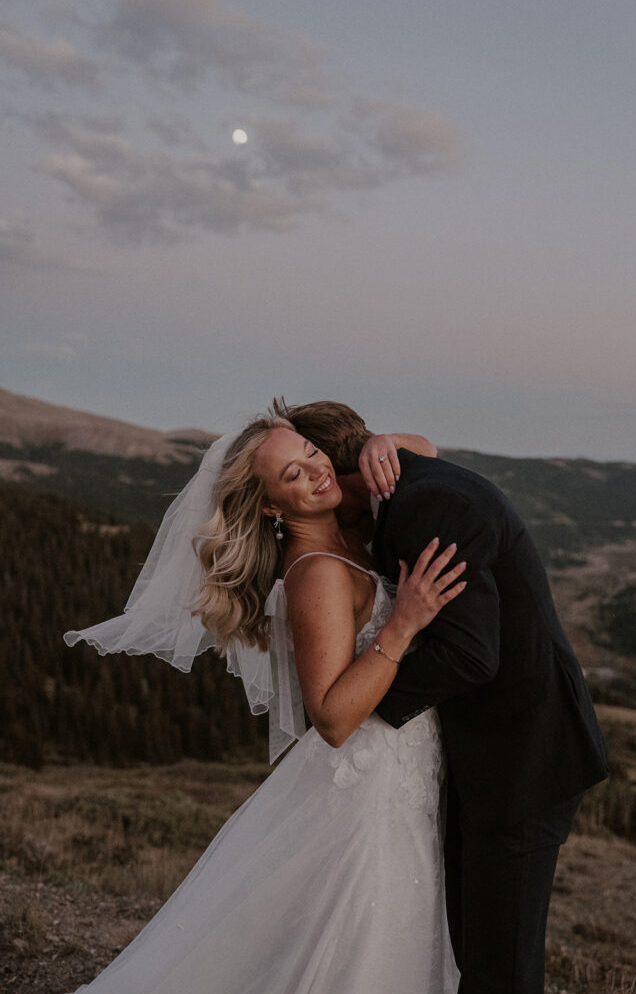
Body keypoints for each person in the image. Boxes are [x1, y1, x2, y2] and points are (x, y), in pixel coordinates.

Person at [62, 412, 467, 994]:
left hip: (403, 769)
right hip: (372, 782)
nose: (316, 471)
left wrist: (384, 442)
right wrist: (402, 627)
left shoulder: (341, 529)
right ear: (273, 507)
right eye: (293, 475)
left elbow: (426, 448)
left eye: (310, 452)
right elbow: (330, 716)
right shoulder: (319, 573)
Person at [276, 398, 610, 994]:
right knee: (468, 949)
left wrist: (358, 704)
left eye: (315, 464)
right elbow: (420, 447)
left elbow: (468, 654)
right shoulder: (408, 480)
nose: (318, 485)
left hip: (521, 758)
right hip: (489, 757)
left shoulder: (421, 503)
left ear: (340, 465)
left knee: (499, 967)